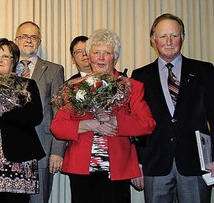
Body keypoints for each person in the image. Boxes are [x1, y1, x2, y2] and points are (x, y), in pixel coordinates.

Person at [51, 29, 156, 203]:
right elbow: (57, 127)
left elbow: (147, 123)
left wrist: (116, 121)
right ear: (89, 56)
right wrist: (89, 125)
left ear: (114, 57)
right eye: (96, 52)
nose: (101, 57)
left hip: (118, 170)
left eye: (107, 53)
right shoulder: (74, 87)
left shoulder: (131, 87)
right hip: (81, 169)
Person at [131, 13, 214, 203]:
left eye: (174, 36)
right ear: (153, 40)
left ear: (182, 38)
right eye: (163, 36)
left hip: (197, 164)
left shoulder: (205, 71)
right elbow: (137, 123)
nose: (169, 42)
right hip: (155, 164)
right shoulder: (140, 76)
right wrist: (138, 164)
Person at [0, 38, 45, 203]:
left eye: (5, 56)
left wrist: (1, 107)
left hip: (18, 157)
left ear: (14, 60)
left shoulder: (26, 85)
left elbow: (35, 117)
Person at [13, 21, 66, 203]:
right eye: (24, 36)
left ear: (39, 42)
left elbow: (60, 112)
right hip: (9, 151)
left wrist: (57, 150)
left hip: (42, 149)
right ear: (16, 40)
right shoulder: (6, 68)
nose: (28, 40)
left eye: (33, 37)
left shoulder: (54, 70)